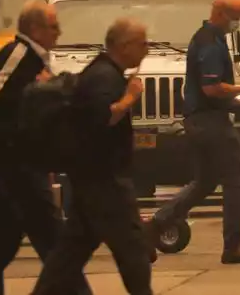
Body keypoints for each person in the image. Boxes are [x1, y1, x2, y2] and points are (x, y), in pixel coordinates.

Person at [0, 1, 89, 295]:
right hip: (15, 160)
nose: (58, 32)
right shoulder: (18, 53)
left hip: (23, 158)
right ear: (34, 29)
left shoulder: (38, 59)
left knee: (1, 242)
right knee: (52, 239)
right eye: (52, 26)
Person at [32, 19, 152, 295]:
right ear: (123, 46)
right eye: (142, 44)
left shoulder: (105, 72)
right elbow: (103, 118)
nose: (146, 50)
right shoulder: (104, 77)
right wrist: (130, 98)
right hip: (104, 179)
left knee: (71, 252)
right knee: (132, 248)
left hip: (92, 177)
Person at [147, 0, 240, 264]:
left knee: (205, 182)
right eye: (235, 17)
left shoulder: (208, 38)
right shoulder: (210, 44)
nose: (237, 23)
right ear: (221, 14)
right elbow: (211, 88)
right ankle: (233, 245)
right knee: (236, 180)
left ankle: (157, 223)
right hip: (210, 121)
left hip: (200, 120)